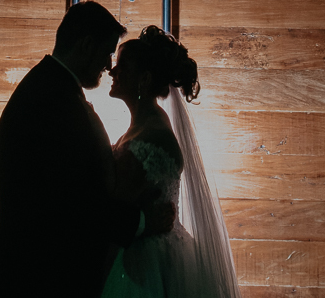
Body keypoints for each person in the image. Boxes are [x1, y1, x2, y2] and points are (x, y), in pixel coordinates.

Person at [0, 1, 171, 298]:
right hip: (39, 279)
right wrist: (142, 221)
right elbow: (74, 202)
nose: (109, 65)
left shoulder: (51, 88)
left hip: (35, 273)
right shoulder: (55, 103)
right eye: (107, 52)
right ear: (87, 45)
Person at [101, 26, 241, 298]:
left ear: (144, 79)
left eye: (122, 66)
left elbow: (117, 199)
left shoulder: (152, 138)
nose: (112, 72)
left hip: (145, 261)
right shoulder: (144, 126)